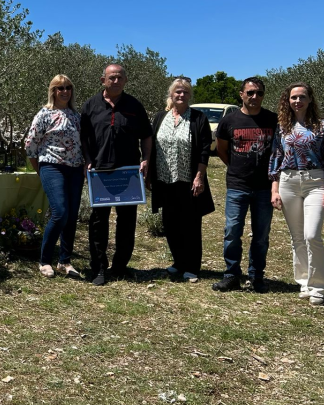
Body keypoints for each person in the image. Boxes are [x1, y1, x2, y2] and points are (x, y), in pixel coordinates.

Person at [269, 82, 324, 306]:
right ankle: (304, 282)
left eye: (302, 97)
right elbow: (276, 156)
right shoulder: (283, 126)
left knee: (312, 236)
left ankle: (319, 287)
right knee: (297, 238)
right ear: (288, 101)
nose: (298, 101)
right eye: (293, 98)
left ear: (310, 99)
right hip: (288, 181)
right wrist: (274, 188)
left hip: (315, 181)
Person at [80, 63, 153, 286]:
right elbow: (83, 138)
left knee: (127, 221)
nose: (116, 81)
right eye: (112, 77)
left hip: (128, 174)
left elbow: (147, 136)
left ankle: (120, 266)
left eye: (120, 77)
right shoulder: (90, 106)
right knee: (98, 222)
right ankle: (99, 268)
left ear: (125, 80)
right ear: (103, 80)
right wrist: (87, 161)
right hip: (100, 174)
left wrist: (146, 159)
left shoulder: (134, 106)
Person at [213, 77, 278, 293]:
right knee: (232, 231)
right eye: (250, 92)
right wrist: (235, 166)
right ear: (241, 94)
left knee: (261, 235)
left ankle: (256, 277)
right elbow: (222, 149)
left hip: (264, 187)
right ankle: (231, 275)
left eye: (259, 93)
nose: (254, 97)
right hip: (237, 185)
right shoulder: (229, 121)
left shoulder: (273, 120)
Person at [149, 78, 214, 282]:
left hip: (188, 180)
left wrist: (199, 176)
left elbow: (204, 150)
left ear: (190, 95)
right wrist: (149, 175)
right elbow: (152, 147)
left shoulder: (198, 118)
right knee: (169, 223)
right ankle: (178, 262)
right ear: (171, 94)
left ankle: (192, 267)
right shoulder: (160, 117)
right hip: (164, 180)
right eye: (178, 92)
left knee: (191, 224)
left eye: (185, 92)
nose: (181, 95)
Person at [24, 74, 85, 279]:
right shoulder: (44, 114)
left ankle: (65, 261)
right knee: (59, 212)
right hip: (51, 167)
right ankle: (45, 260)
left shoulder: (76, 115)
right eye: (60, 88)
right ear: (53, 91)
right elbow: (30, 146)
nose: (65, 91)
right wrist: (41, 170)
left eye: (68, 87)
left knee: (71, 215)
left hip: (75, 169)